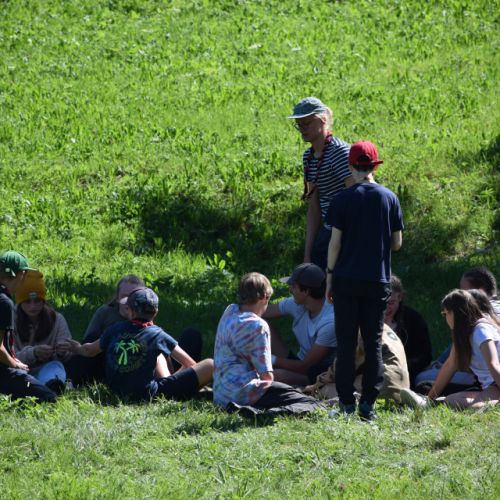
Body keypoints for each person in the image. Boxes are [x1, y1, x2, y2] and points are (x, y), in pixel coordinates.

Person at [325, 141, 403, 420]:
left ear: (350, 166)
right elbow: (397, 244)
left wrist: (329, 278)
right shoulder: (389, 198)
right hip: (376, 280)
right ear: (374, 166)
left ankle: (346, 403)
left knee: (346, 344)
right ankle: (368, 404)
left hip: (345, 280)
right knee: (373, 343)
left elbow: (334, 244)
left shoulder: (342, 199)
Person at [65, 287, 213, 401]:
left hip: (115, 391)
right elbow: (190, 364)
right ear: (156, 312)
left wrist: (77, 347)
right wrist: (174, 381)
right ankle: (186, 392)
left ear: (130, 311)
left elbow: (89, 350)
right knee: (210, 364)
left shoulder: (114, 329)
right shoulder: (158, 334)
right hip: (148, 394)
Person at [213, 272, 323, 415]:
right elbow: (267, 377)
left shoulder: (230, 311)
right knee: (311, 403)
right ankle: (260, 413)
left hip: (220, 395)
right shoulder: (258, 325)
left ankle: (252, 409)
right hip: (244, 393)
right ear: (264, 297)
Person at [401, 289, 500, 410]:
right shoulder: (465, 335)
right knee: (450, 400)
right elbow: (449, 366)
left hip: (496, 382)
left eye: (445, 313)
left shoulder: (480, 331)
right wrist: (429, 399)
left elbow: (494, 364)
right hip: (490, 386)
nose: (445, 318)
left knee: (476, 407)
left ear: (455, 313)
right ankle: (426, 403)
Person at [288, 97, 353, 269]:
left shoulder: (339, 152)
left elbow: (357, 196)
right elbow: (314, 206)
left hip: (344, 228)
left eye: (307, 123)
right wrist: (307, 255)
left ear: (323, 120)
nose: (302, 129)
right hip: (327, 227)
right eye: (299, 125)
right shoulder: (308, 157)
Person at [414, 266, 499, 393]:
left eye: (463, 290)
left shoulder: (477, 324)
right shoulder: (485, 314)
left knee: (421, 379)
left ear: (478, 290)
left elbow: (454, 363)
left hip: (486, 381)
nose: (460, 294)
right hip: (487, 378)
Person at [263, 263, 336, 386]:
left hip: (315, 373)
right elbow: (262, 311)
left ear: (306, 291)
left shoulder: (330, 322)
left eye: (293, 286)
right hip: (299, 362)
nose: (290, 290)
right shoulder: (297, 303)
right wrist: (237, 312)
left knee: (277, 376)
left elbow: (306, 366)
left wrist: (270, 360)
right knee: (262, 326)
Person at [0, 251, 56, 402]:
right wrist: (15, 365)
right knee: (49, 397)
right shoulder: (4, 303)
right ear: (21, 274)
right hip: (3, 372)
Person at [304, 324, 410, 404]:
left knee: (323, 390)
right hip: (402, 388)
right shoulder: (385, 327)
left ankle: (358, 401)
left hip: (383, 387)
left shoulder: (359, 330)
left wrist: (316, 386)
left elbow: (341, 369)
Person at [14, 270, 73, 393]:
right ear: (19, 302)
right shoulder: (10, 319)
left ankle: (51, 386)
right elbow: (7, 357)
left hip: (45, 369)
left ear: (43, 300)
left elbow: (68, 355)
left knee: (56, 367)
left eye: (37, 301)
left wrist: (62, 353)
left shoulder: (57, 319)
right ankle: (34, 389)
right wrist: (33, 353)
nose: (33, 306)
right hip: (18, 369)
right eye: (27, 301)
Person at [384, 274, 432, 387]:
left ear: (400, 297)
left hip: (407, 374)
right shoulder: (368, 319)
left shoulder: (413, 320)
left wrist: (403, 366)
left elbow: (425, 356)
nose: (385, 308)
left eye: (391, 303)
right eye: (381, 302)